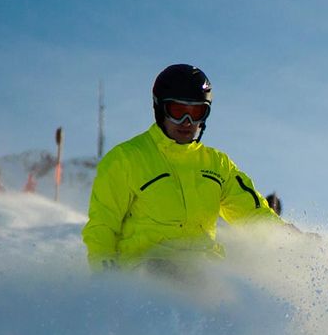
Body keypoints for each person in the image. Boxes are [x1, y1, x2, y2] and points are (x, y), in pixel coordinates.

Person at [82, 64, 285, 275]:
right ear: (160, 109)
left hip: (204, 277)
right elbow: (103, 224)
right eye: (178, 111)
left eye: (196, 112)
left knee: (247, 283)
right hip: (144, 276)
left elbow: (253, 214)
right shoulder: (127, 159)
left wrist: (293, 241)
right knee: (169, 273)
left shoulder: (216, 164)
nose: (187, 122)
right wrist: (105, 276)